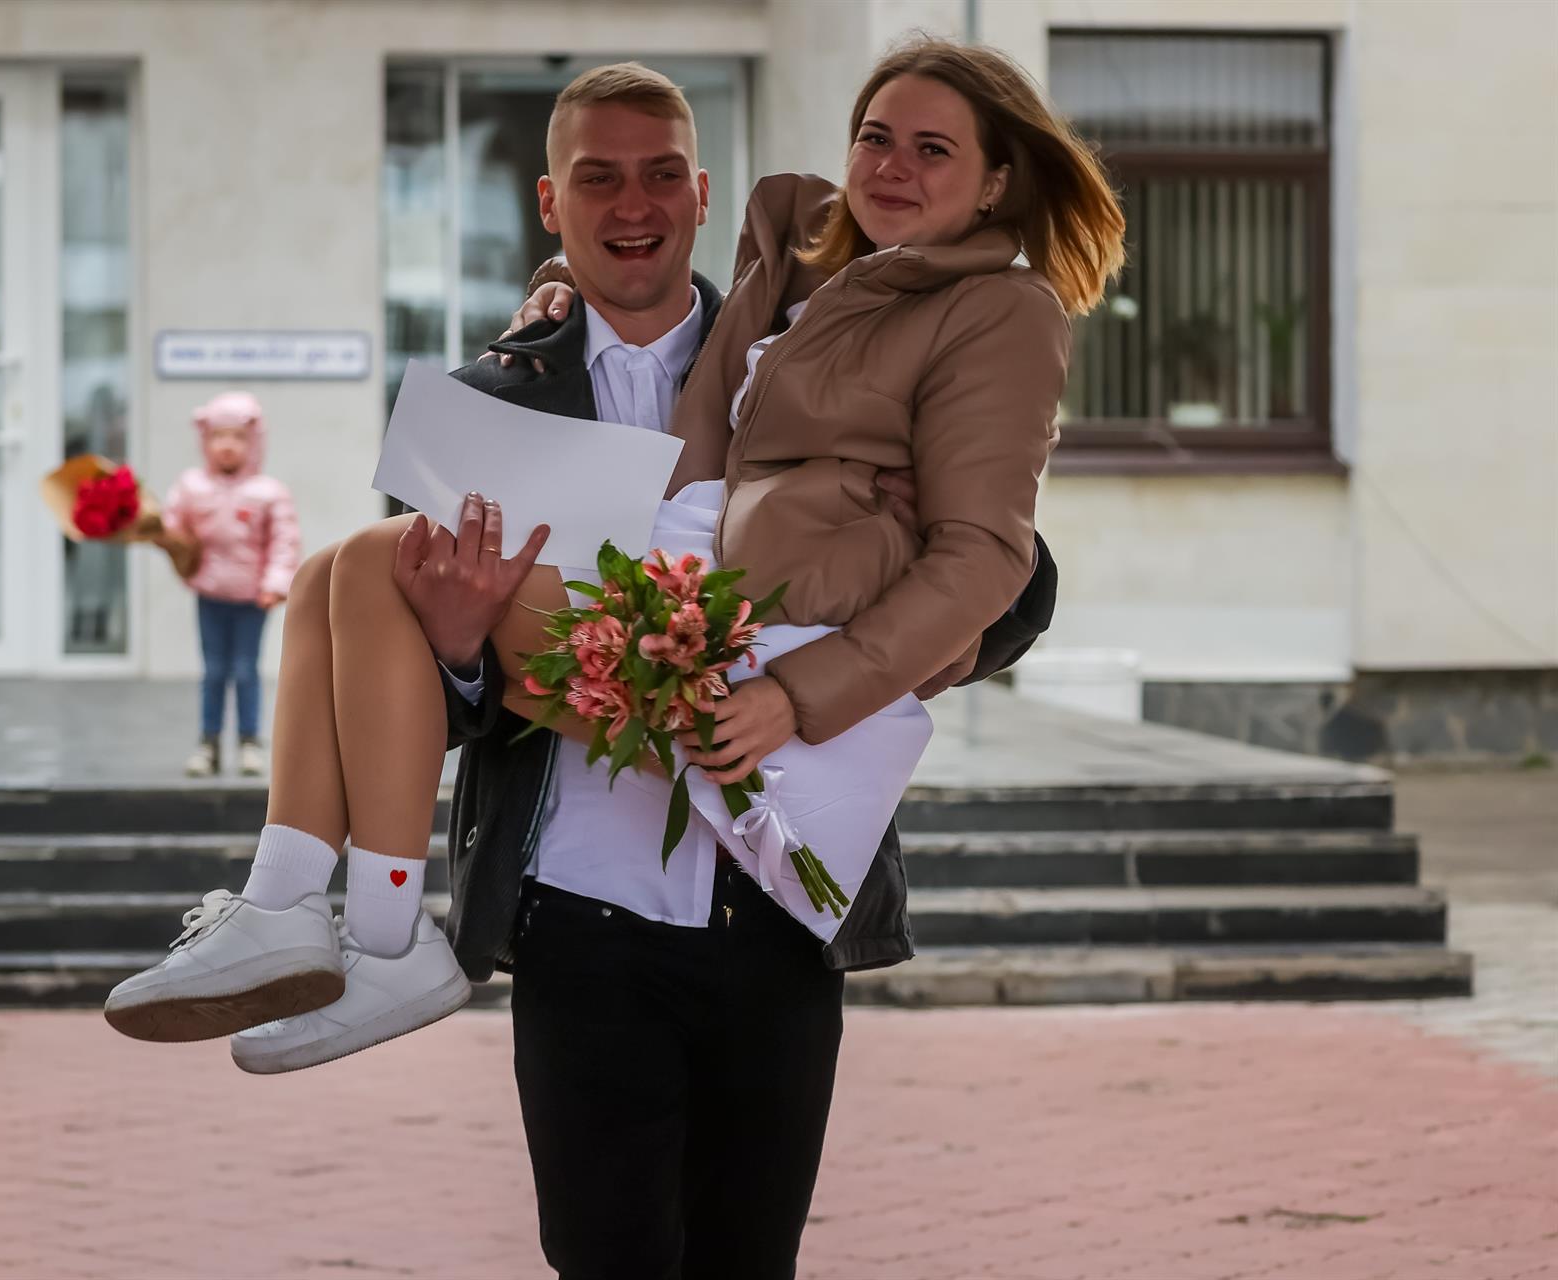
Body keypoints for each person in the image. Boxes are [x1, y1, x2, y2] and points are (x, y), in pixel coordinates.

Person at [106, 44, 1117, 1276]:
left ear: (700, 194)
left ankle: (347, 926)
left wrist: (820, 665)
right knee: (342, 576)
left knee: (746, 1256)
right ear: (552, 203)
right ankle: (311, 918)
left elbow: (1007, 577)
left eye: (658, 179)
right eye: (596, 181)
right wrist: (462, 648)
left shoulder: (802, 322)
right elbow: (419, 700)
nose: (630, 206)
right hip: (580, 908)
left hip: (765, 897)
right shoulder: (513, 386)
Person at [163, 392, 303, 778]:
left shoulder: (267, 492)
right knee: (212, 671)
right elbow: (171, 525)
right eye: (219, 436)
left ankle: (248, 742)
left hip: (250, 599)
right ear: (205, 440)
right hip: (209, 595)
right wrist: (162, 536)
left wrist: (275, 583)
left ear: (254, 442)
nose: (227, 445)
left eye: (238, 437)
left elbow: (284, 540)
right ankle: (207, 744)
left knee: (245, 670)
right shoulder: (192, 486)